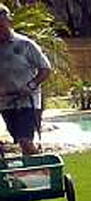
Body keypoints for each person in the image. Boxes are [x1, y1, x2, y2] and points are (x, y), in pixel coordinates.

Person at [0, 3, 52, 155]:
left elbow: (45, 69)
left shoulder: (25, 45)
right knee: (19, 140)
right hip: (5, 103)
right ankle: (26, 175)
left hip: (28, 101)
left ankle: (45, 172)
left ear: (9, 23)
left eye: (1, 26)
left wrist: (31, 85)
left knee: (25, 140)